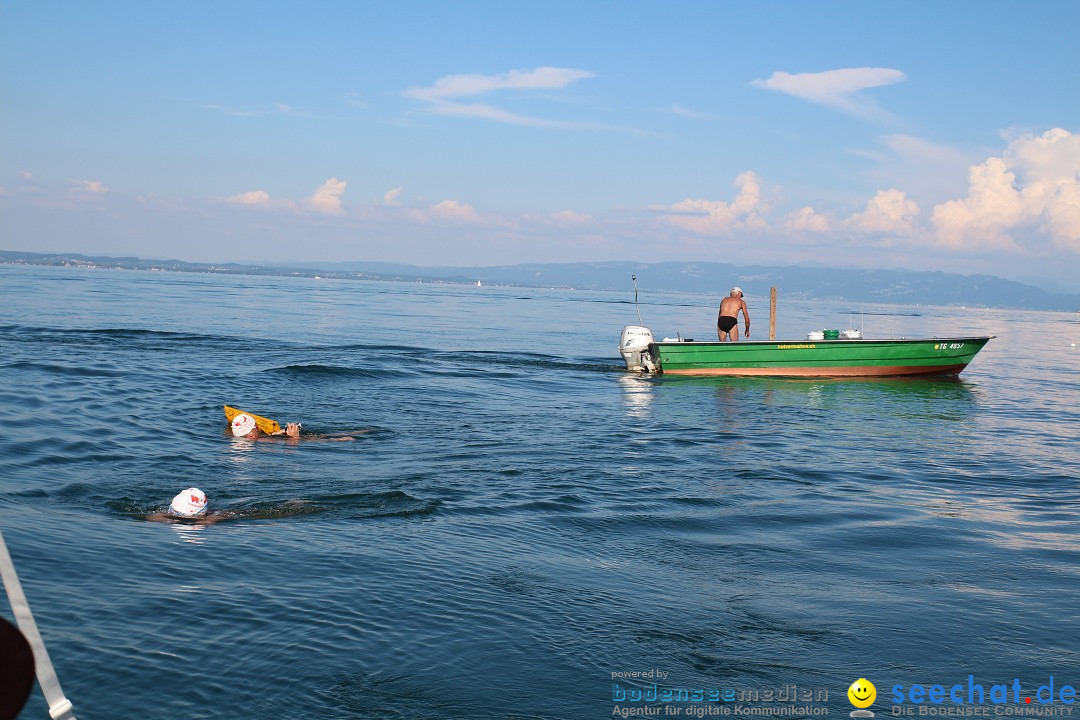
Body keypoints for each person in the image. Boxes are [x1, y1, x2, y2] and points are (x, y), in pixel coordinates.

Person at [230, 413, 300, 440]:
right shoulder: (262, 446)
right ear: (250, 435)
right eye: (256, 427)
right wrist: (294, 438)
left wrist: (274, 434)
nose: (258, 428)